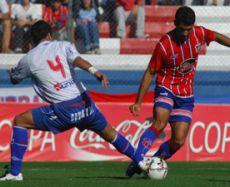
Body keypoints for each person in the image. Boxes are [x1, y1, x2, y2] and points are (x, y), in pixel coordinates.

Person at [0, 20, 138, 181]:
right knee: (110, 133)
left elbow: (15, 79)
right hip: (84, 103)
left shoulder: (29, 59)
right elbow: (77, 60)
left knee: (19, 121)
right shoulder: (63, 45)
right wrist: (96, 72)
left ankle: (15, 173)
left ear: (31, 40)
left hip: (64, 110)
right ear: (50, 35)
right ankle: (141, 160)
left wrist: (13, 73)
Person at [126, 6, 230, 177]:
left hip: (185, 94)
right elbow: (150, 72)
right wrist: (138, 102)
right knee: (160, 122)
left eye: (189, 30)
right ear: (175, 23)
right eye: (182, 29)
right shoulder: (164, 44)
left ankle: (152, 163)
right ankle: (138, 159)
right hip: (166, 87)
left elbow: (218, 37)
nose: (185, 34)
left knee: (178, 141)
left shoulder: (199, 33)